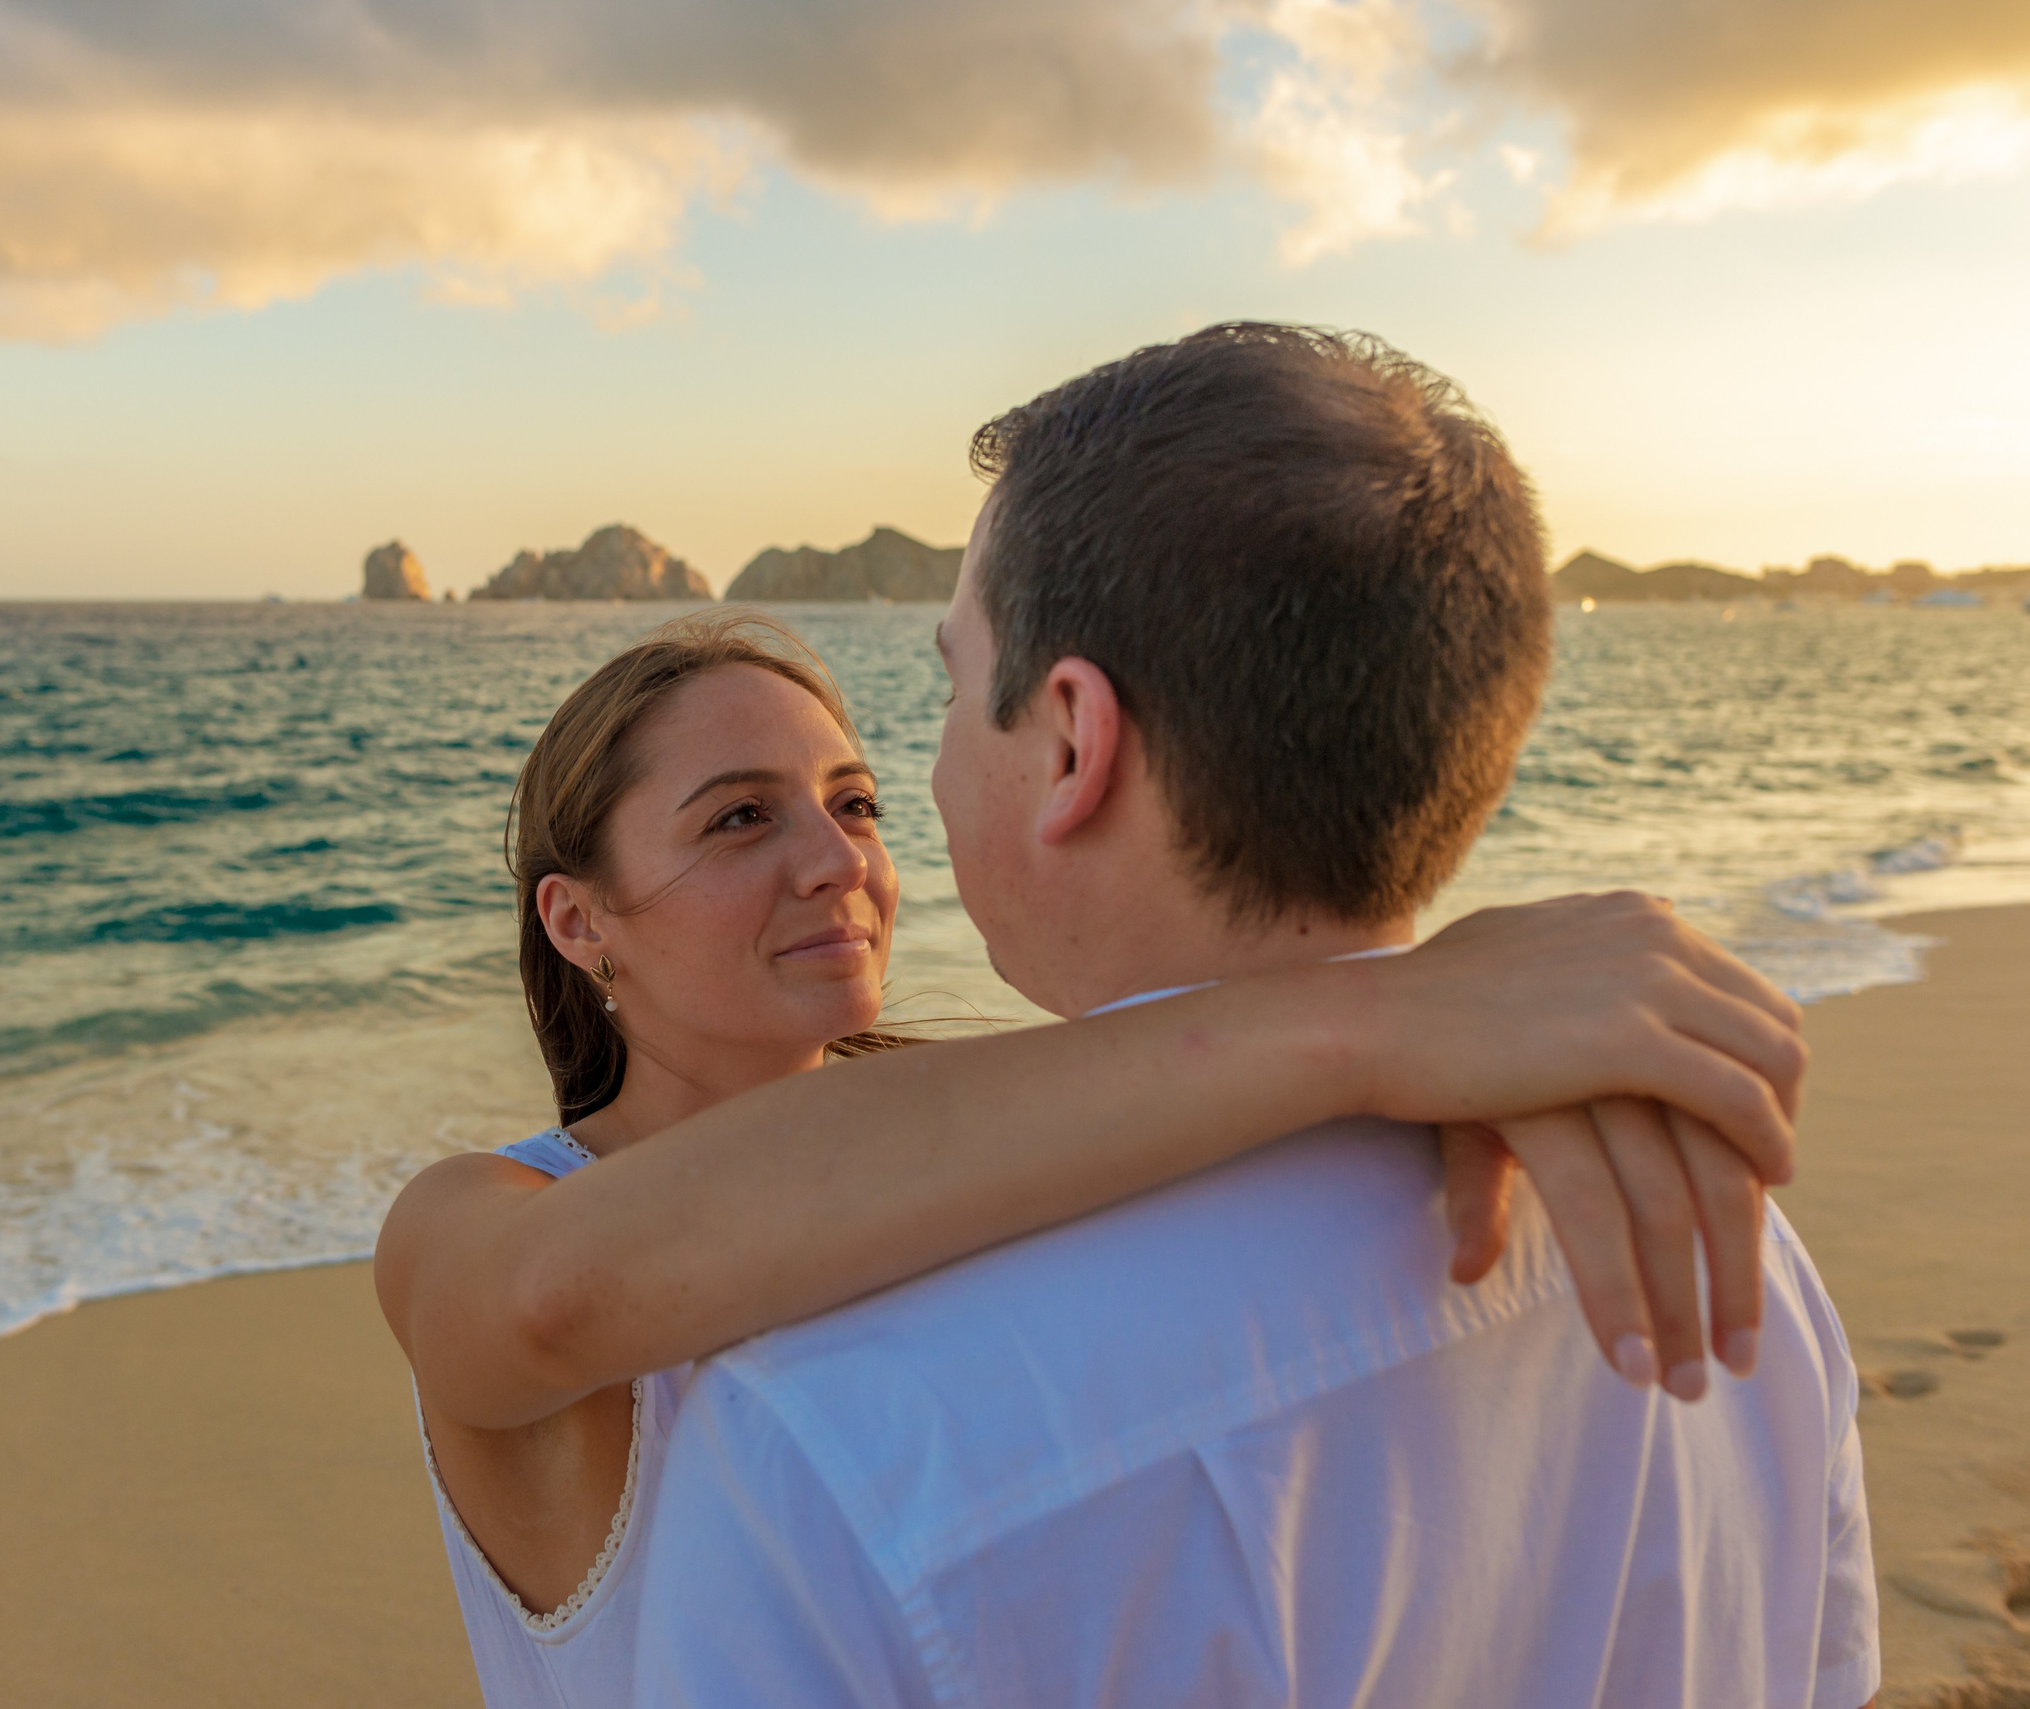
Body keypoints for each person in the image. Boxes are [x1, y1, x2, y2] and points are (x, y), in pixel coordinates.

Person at [629, 326, 1878, 1707]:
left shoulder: (836, 1448)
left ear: (1071, 741)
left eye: (951, 688)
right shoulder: (1722, 1251)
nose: (920, 777)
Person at [378, 611, 1811, 1703]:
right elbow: (558, 1299)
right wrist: (1390, 1013)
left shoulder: (1016, 1136)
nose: (838, 860)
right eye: (741, 817)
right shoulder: (477, 1218)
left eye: (856, 802)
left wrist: (1482, 1058)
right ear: (579, 921)